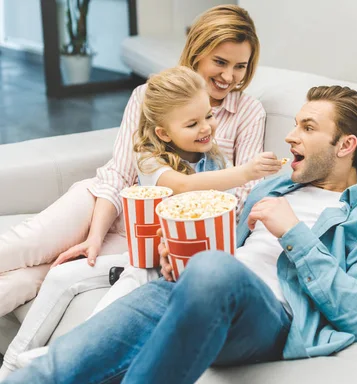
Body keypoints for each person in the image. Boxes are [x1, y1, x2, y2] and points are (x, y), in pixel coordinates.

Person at [0, 85, 357, 384]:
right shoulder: (274, 185)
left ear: (346, 145)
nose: (290, 137)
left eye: (307, 128)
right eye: (295, 124)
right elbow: (224, 247)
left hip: (270, 317)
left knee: (214, 269)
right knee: (52, 371)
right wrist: (177, 255)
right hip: (195, 289)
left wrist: (294, 235)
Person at [0, 66, 281, 379]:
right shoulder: (149, 157)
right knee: (55, 276)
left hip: (156, 263)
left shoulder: (214, 157)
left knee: (75, 282)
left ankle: (49, 360)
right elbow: (185, 186)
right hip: (139, 256)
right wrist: (247, 172)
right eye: (192, 123)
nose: (206, 128)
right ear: (163, 132)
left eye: (209, 116)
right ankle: (13, 365)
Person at [0, 5, 265, 318]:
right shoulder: (146, 95)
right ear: (197, 51)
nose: (229, 76)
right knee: (19, 247)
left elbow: (242, 197)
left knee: (29, 280)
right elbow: (119, 174)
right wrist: (93, 237)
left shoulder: (249, 113)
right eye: (220, 62)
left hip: (145, 235)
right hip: (100, 204)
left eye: (240, 67)